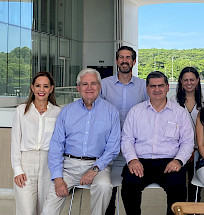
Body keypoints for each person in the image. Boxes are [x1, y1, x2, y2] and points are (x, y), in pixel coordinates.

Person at [41, 68, 121, 215]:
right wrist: (58, 178)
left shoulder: (111, 112)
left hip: (98, 166)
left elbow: (113, 148)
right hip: (68, 167)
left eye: (93, 84)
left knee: (104, 186)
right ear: (78, 88)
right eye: (85, 84)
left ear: (99, 86)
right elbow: (56, 146)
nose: (89, 88)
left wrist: (94, 169)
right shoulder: (66, 111)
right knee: (47, 210)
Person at [120, 71, 194, 215]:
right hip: (141, 161)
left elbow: (187, 142)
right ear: (147, 89)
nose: (157, 89)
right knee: (129, 185)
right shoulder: (135, 112)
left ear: (167, 87)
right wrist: (132, 160)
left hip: (169, 162)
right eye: (153, 86)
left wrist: (178, 161)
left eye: (161, 86)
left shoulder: (179, 112)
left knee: (178, 188)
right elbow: (127, 139)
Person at [100, 46, 148, 214]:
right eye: (121, 57)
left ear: (134, 62)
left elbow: (150, 113)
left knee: (131, 188)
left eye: (128, 57)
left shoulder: (143, 86)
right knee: (107, 188)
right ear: (116, 61)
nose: (124, 60)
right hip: (108, 144)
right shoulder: (104, 85)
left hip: (134, 146)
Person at [11, 72, 61, 215]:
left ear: (51, 89)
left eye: (46, 86)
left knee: (46, 208)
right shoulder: (21, 111)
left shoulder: (57, 112)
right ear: (32, 88)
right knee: (26, 210)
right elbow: (15, 141)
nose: (41, 90)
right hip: (26, 162)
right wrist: (17, 169)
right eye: (38, 86)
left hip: (48, 163)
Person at [170, 66, 203, 202]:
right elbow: (171, 129)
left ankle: (194, 210)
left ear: (197, 81)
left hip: (199, 151)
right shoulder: (173, 101)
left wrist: (196, 149)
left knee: (195, 186)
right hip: (178, 151)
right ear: (181, 82)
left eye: (192, 80)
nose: (189, 83)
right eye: (186, 80)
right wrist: (184, 151)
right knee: (179, 186)